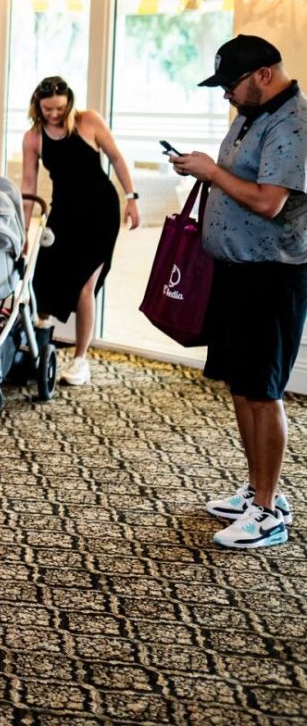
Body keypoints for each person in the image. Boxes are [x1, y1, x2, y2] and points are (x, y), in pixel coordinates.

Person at [173, 34, 307, 550]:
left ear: (265, 75)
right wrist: (204, 170)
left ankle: (269, 511)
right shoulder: (252, 115)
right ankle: (256, 490)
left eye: (232, 84)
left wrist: (212, 171)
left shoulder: (293, 124)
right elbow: (238, 179)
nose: (226, 94)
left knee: (263, 390)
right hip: (238, 269)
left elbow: (270, 202)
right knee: (241, 384)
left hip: (272, 274)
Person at [19, 75, 140, 386]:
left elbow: (116, 158)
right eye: (48, 109)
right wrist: (23, 232)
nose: (54, 114)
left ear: (69, 101)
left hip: (100, 212)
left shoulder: (89, 122)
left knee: (86, 285)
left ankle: (80, 359)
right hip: (63, 213)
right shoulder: (34, 137)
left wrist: (131, 198)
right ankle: (35, 349)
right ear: (38, 105)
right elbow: (29, 187)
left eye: (59, 108)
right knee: (42, 278)